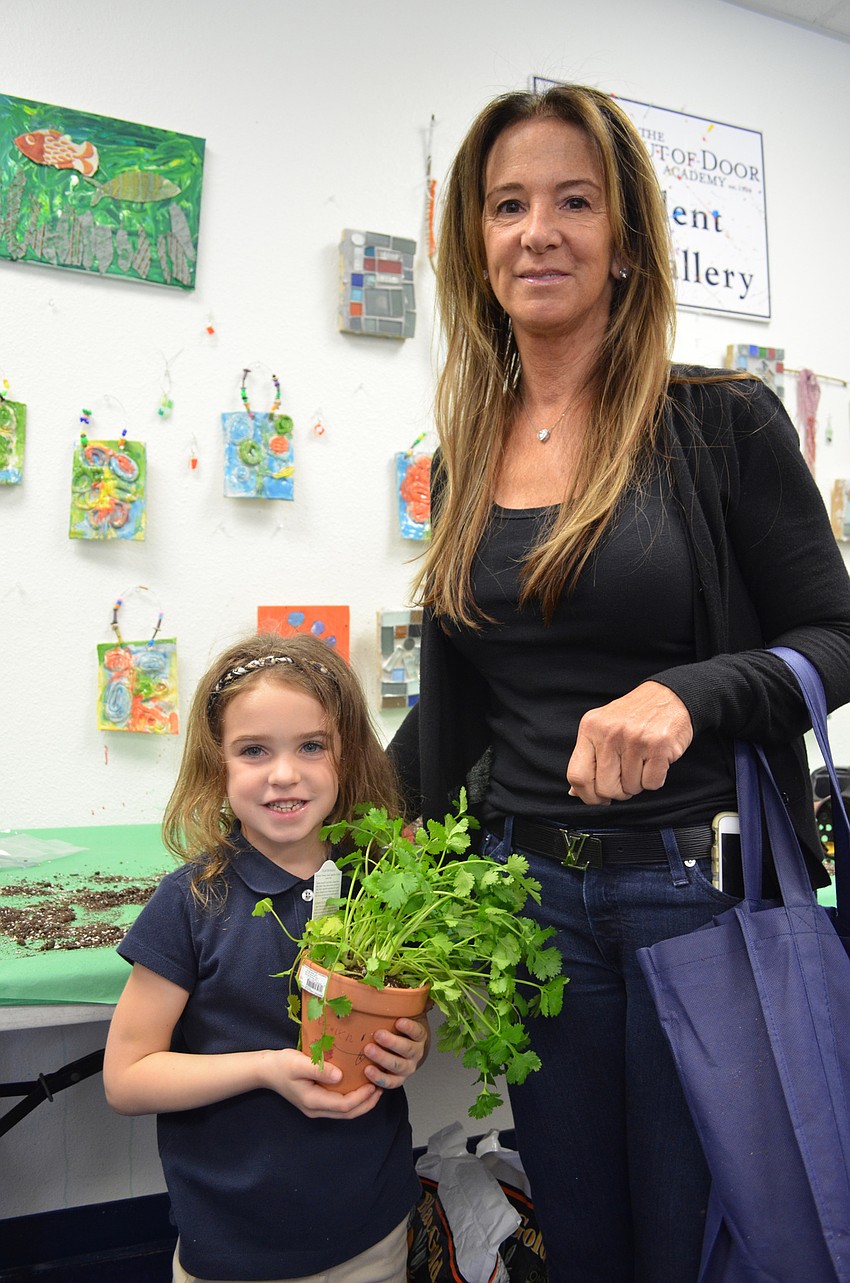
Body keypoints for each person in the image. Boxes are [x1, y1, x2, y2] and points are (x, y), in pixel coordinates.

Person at [387, 83, 850, 1283]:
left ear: (628, 241)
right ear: (473, 243)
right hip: (527, 896)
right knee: (583, 1233)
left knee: (702, 1231)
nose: (538, 230)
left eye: (573, 201)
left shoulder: (721, 423)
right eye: (507, 204)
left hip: (692, 891)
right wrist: (319, 799)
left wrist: (691, 692)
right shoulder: (466, 456)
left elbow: (837, 633)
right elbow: (465, 701)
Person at [104, 633, 428, 1283]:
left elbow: (394, 1019)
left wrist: (409, 1046)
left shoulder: (384, 886)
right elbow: (127, 1075)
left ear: (347, 755)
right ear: (216, 763)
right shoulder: (191, 902)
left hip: (373, 1233)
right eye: (254, 750)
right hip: (233, 1249)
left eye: (312, 745)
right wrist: (264, 1069)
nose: (285, 773)